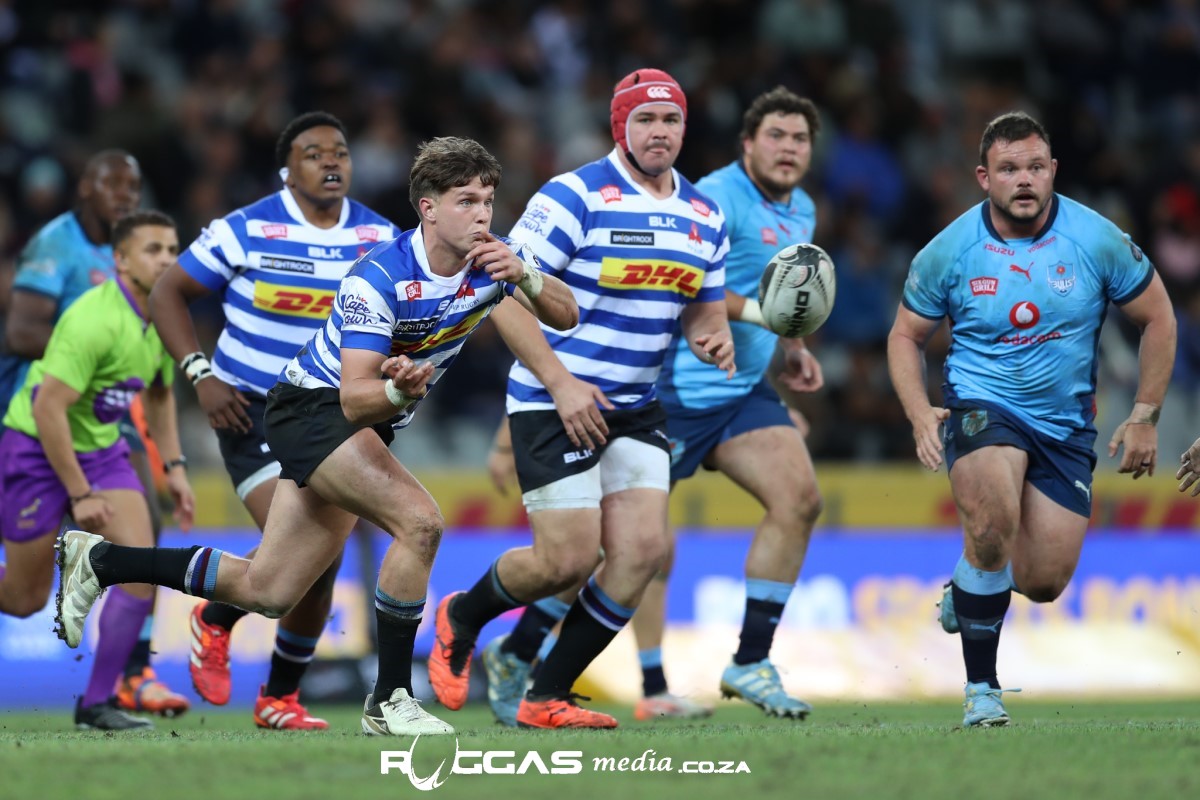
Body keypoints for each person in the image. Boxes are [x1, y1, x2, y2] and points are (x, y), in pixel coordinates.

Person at [54, 136, 578, 737]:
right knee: (420, 523)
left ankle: (101, 560)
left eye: (487, 200)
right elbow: (354, 396)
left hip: (366, 421)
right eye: (466, 201)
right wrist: (399, 392)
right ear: (428, 208)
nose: (482, 214)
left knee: (269, 589)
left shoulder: (498, 262)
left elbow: (566, 314)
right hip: (315, 409)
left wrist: (527, 276)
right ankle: (390, 699)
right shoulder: (379, 275)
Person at [482, 86, 826, 724]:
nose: (788, 149)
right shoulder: (711, 197)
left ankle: (749, 660)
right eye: (775, 136)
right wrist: (509, 434)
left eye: (800, 139)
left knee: (799, 499)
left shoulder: (800, 208)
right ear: (746, 145)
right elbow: (698, 294)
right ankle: (532, 652)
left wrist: (792, 345)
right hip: (670, 391)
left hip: (739, 389)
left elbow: (766, 291)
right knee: (620, 550)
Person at [427, 68, 735, 730]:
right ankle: (462, 615)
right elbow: (498, 292)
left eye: (671, 120)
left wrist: (713, 339)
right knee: (564, 561)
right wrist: (562, 384)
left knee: (642, 553)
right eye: (645, 119)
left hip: (635, 407)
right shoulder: (574, 195)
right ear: (620, 126)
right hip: (553, 399)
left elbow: (704, 312)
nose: (659, 132)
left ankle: (546, 694)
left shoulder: (705, 216)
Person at [887, 112, 1175, 727]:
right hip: (981, 404)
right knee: (992, 524)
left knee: (1043, 581)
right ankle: (982, 692)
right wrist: (918, 413)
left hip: (1065, 426)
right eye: (1010, 169)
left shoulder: (1095, 239)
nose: (1024, 180)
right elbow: (905, 335)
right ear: (984, 177)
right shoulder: (950, 250)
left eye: (1036, 167)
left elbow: (1159, 317)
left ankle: (969, 581)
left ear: (1053, 172)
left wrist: (1145, 414)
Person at [147, 111, 400, 730]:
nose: (331, 161)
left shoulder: (381, 237)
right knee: (307, 549)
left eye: (340, 151)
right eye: (313, 153)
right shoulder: (248, 228)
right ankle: (237, 644)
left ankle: (268, 683)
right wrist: (200, 375)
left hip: (332, 413)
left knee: (321, 558)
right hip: (252, 408)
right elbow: (166, 293)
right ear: (286, 170)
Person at [0, 150, 188, 717]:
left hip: (101, 444)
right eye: (153, 250)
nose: (166, 260)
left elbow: (160, 393)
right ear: (121, 260)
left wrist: (175, 468)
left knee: (140, 571)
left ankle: (101, 700)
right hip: (36, 444)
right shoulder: (90, 318)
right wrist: (80, 494)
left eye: (172, 250)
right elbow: (47, 407)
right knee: (24, 599)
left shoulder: (163, 316)